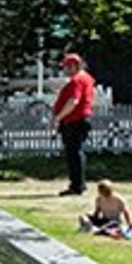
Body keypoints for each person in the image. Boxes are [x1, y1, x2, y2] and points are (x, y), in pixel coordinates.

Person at [53, 52, 96, 197]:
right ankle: (78, 184)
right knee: (76, 153)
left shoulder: (77, 81)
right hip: (79, 119)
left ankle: (76, 186)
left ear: (74, 66)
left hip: (74, 121)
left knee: (74, 153)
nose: (64, 70)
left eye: (66, 67)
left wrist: (58, 117)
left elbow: (73, 101)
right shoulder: (87, 78)